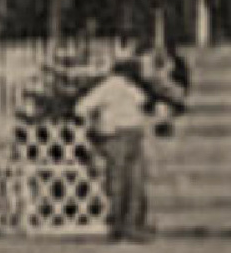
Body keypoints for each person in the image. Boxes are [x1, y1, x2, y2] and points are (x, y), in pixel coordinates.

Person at [76, 52, 187, 242]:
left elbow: (146, 105)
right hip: (118, 136)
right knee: (124, 182)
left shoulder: (129, 88)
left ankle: (129, 226)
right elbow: (82, 108)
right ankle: (122, 226)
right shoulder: (111, 87)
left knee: (132, 181)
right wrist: (95, 126)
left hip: (130, 135)